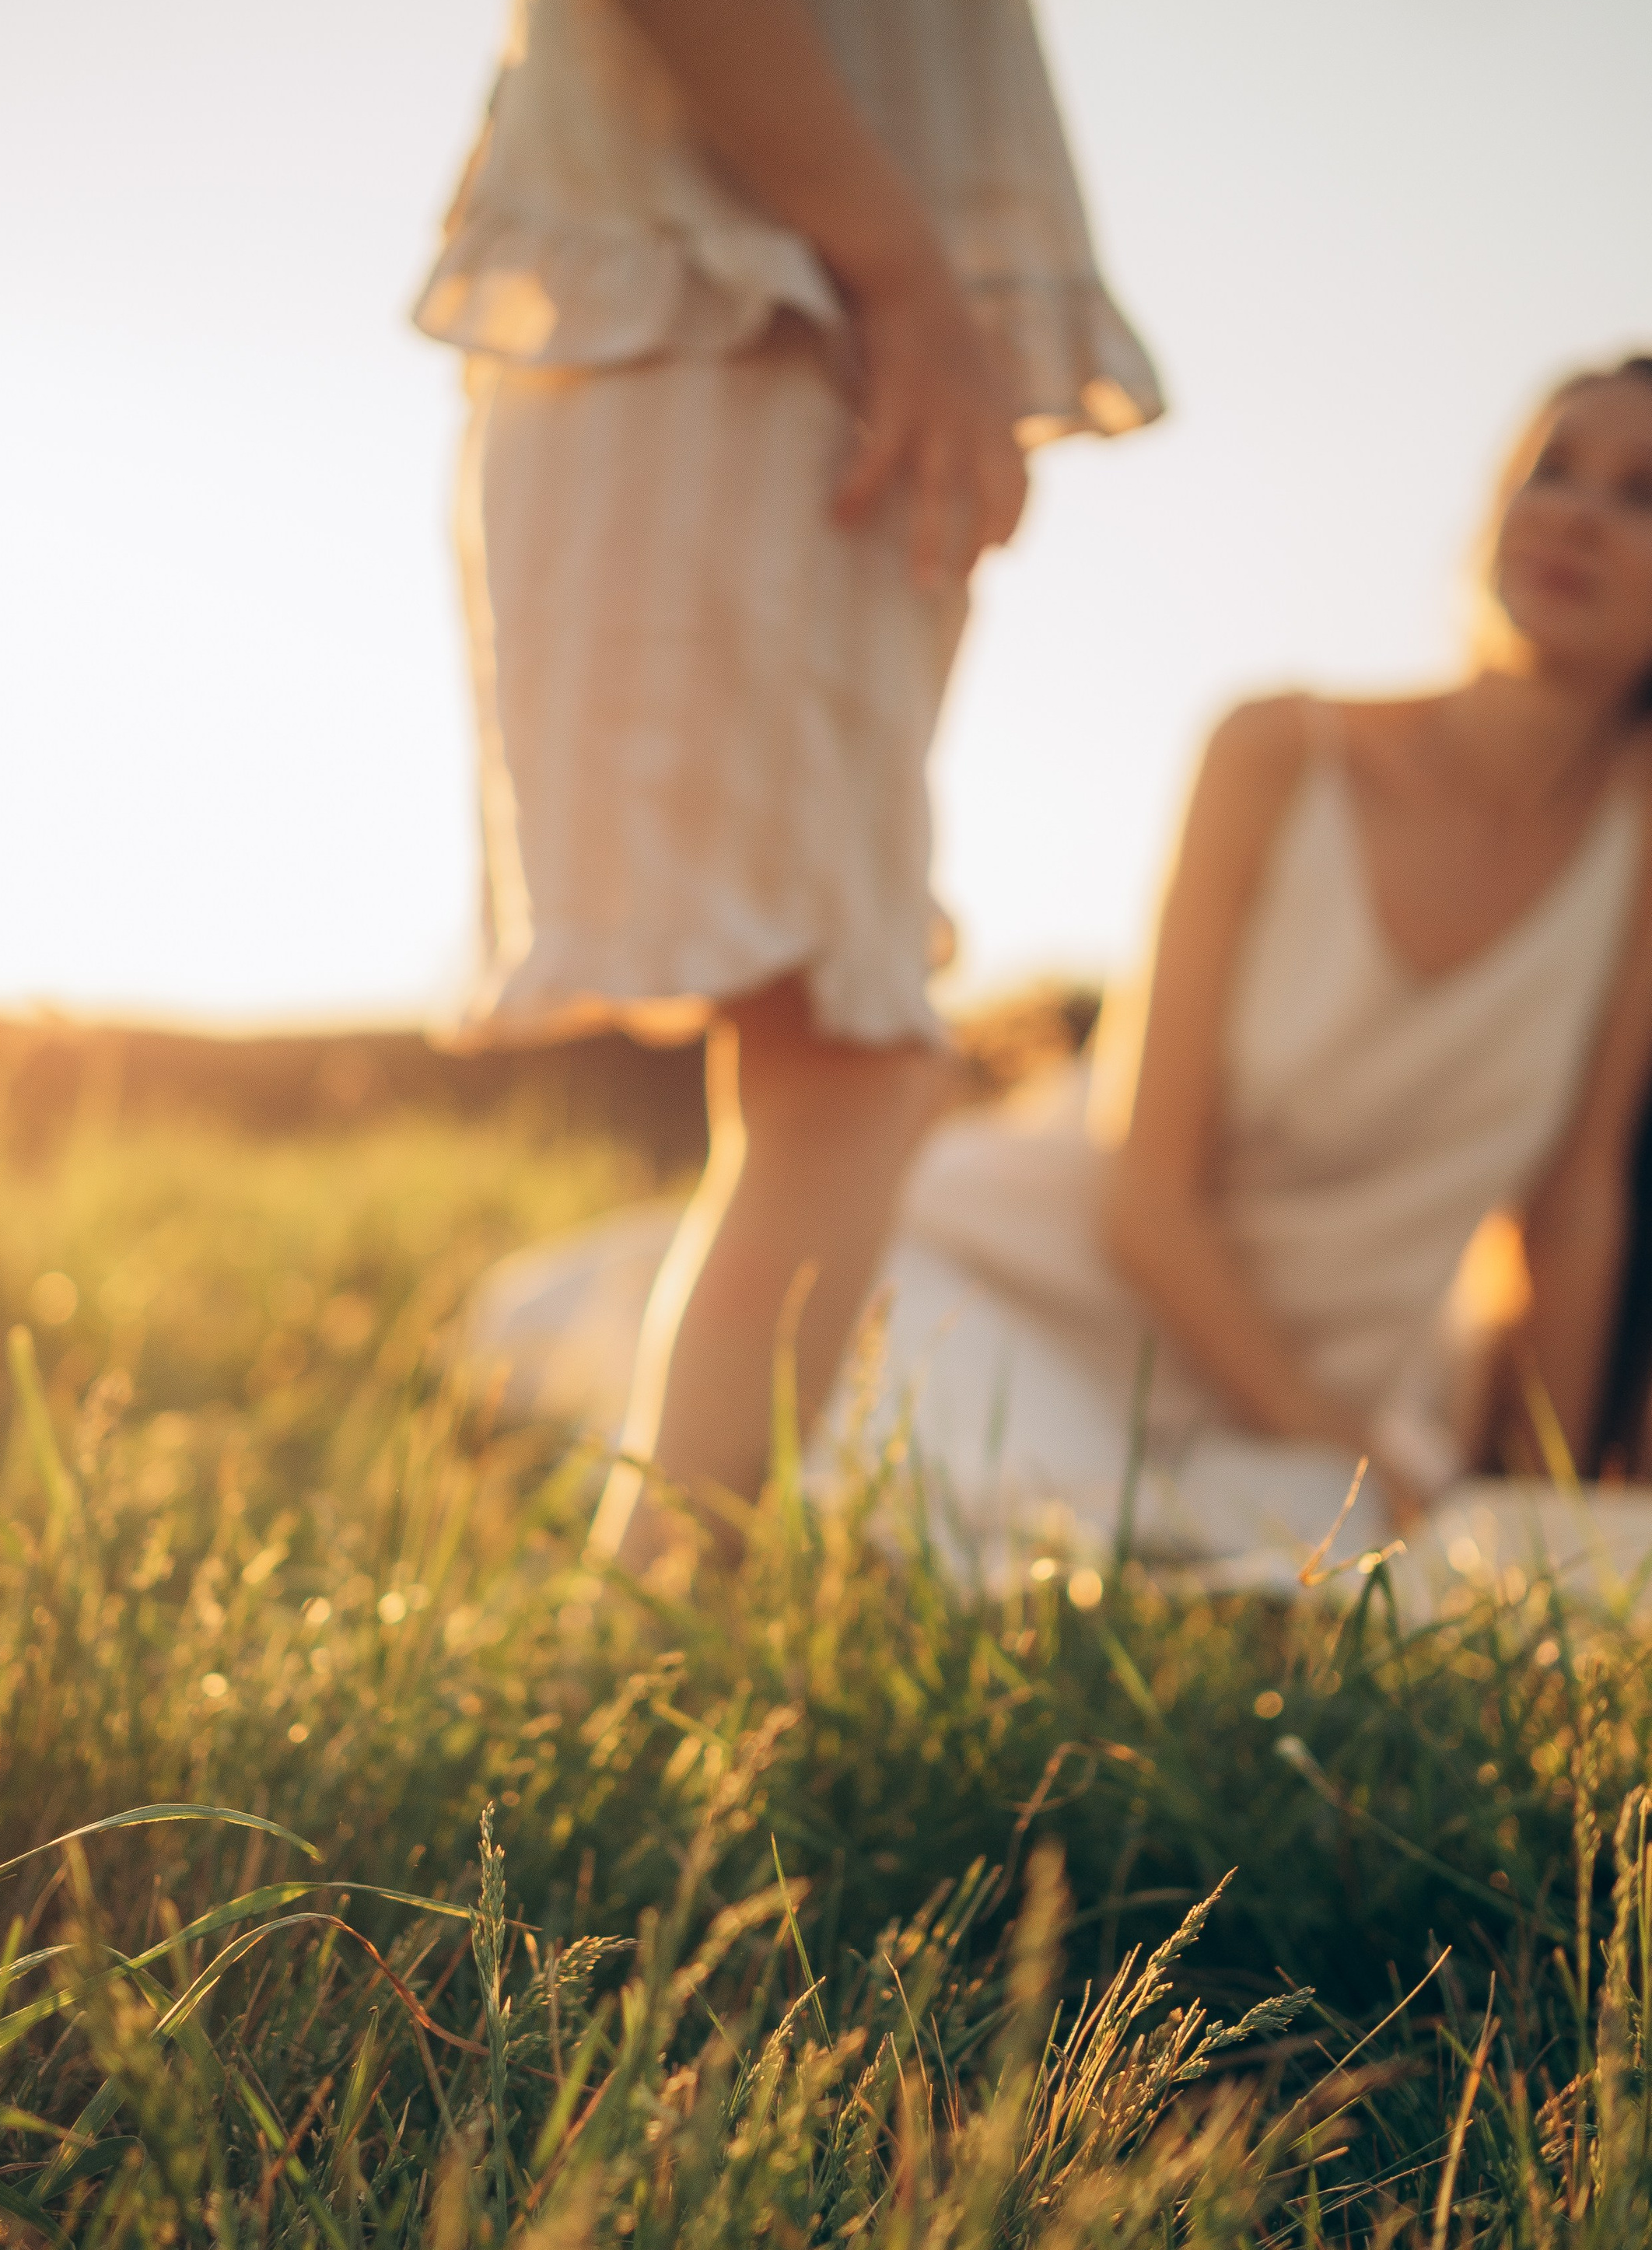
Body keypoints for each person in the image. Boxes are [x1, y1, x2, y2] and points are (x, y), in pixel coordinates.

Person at [471, 356, 1652, 1583]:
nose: (1574, 513)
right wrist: (1334, 1439)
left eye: (1640, 493)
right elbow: (1146, 1190)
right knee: (966, 1497)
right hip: (1042, 1284)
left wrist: (1530, 1507)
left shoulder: (1638, 854)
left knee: (1315, 1560)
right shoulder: (1278, 750)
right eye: (1551, 470)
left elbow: (1570, 1210)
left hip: (1321, 1391)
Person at [415, 0, 1161, 1568]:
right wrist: (907, 289)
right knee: (846, 1043)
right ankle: (649, 1628)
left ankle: (656, 1605)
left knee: (838, 1041)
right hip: (746, 333)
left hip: (786, 347)